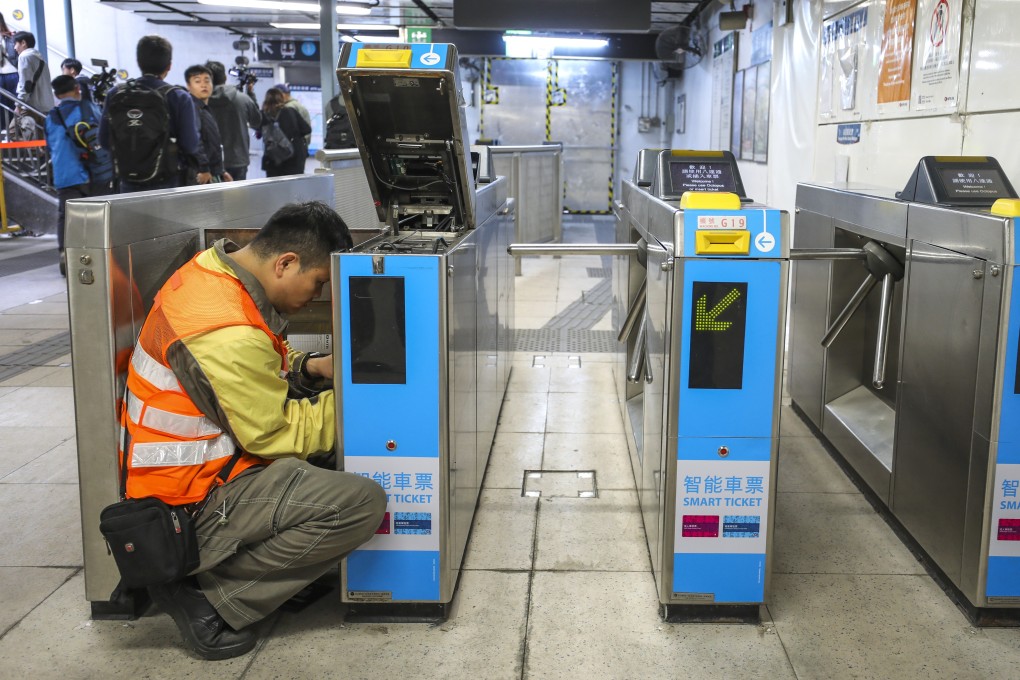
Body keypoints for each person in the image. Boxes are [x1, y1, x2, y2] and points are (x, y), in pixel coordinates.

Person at [122, 201, 386, 660]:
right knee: (360, 503)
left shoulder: (214, 273)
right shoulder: (222, 327)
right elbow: (274, 433)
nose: (319, 295)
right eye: (319, 282)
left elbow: (251, 373)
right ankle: (210, 599)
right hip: (190, 502)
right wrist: (366, 405)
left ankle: (257, 571)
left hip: (205, 471)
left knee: (329, 451)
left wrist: (313, 368)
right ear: (285, 263)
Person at [98, 35, 206, 192]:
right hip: (167, 183)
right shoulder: (178, 97)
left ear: (138, 62)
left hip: (127, 182)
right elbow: (190, 145)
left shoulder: (115, 93)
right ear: (169, 66)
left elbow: (104, 141)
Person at [45, 75, 110, 275]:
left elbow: (49, 146)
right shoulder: (88, 108)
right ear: (76, 89)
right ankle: (96, 258)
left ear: (56, 94)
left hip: (64, 175)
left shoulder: (50, 116)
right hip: (92, 172)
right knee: (96, 217)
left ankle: (65, 255)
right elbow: (104, 135)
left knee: (66, 216)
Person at [206, 61, 260, 180]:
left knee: (211, 197)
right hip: (238, 160)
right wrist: (251, 93)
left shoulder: (200, 101)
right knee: (237, 197)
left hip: (209, 162)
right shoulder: (242, 99)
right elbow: (257, 122)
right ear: (225, 77)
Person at [184, 64, 229, 184]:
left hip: (211, 172)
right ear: (188, 86)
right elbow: (194, 140)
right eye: (197, 81)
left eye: (207, 80)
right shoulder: (192, 108)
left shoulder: (204, 108)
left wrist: (220, 171)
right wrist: (204, 169)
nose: (203, 85)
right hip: (200, 175)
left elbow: (211, 144)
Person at [261, 87, 310, 178]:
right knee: (293, 189)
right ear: (281, 98)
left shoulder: (263, 115)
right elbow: (307, 129)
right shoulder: (290, 111)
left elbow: (258, 130)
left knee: (275, 189)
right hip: (293, 159)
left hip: (273, 159)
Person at [13, 31, 54, 123]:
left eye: (15, 44)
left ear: (23, 43)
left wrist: (18, 105)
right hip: (45, 105)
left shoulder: (24, 56)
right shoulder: (39, 57)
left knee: (13, 131)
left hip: (31, 106)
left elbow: (25, 83)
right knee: (40, 134)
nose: (14, 48)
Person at [0, 13, 18, 132]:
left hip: (12, 74)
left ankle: (14, 131)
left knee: (14, 104)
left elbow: (15, 56)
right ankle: (3, 131)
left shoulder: (11, 37)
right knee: (2, 107)